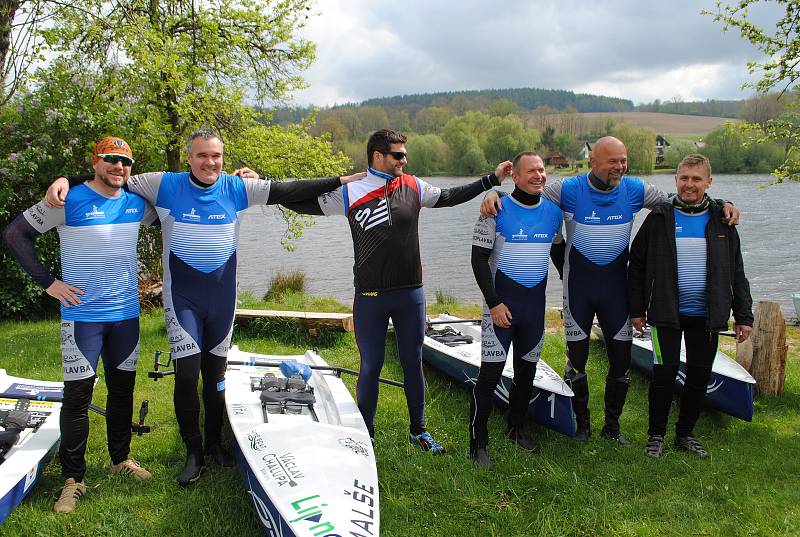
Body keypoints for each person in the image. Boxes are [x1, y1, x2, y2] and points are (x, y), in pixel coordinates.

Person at [44, 130, 366, 485]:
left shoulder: (237, 188)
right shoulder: (162, 184)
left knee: (215, 377)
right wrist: (64, 179)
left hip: (222, 302)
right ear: (189, 158)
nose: (209, 162)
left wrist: (340, 180)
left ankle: (214, 444)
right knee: (186, 375)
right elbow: (108, 177)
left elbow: (290, 190)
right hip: (184, 301)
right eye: (202, 156)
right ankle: (193, 450)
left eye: (215, 156)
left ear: (222, 158)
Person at [481, 137, 740, 445]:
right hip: (578, 289)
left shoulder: (635, 190)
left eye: (623, 160)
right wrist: (494, 194)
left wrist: (721, 204)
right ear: (594, 162)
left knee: (620, 361)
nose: (620, 167)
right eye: (612, 161)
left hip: (618, 292)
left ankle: (612, 428)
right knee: (577, 360)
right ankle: (582, 425)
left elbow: (682, 198)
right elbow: (524, 192)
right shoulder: (567, 190)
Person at [282, 129, 507, 454]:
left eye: (404, 154)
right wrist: (267, 189)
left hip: (410, 294)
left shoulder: (414, 186)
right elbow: (297, 201)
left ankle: (418, 430)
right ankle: (366, 434)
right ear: (377, 156)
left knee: (413, 361)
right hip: (370, 297)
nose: (405, 159)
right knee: (371, 366)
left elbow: (448, 196)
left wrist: (491, 180)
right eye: (398, 155)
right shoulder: (351, 191)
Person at [3, 137, 157, 513]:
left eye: (125, 162)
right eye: (110, 160)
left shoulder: (137, 203)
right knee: (77, 398)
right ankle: (73, 480)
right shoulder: (67, 200)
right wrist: (49, 284)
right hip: (82, 319)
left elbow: (183, 203)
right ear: (95, 162)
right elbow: (14, 234)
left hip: (126, 316)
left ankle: (121, 458)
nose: (118, 167)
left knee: (122, 392)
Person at [628, 154, 753, 458]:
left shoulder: (722, 220)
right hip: (665, 313)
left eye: (696, 179)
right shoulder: (659, 217)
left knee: (698, 376)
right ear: (676, 181)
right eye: (684, 178)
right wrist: (636, 309)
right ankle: (655, 435)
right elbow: (637, 265)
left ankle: (685, 434)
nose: (689, 184)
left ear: (708, 182)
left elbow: (736, 271)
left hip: (708, 316)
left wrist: (743, 316)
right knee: (664, 374)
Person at [468, 152, 562, 469]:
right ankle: (477, 444)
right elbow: (478, 260)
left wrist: (570, 297)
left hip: (534, 309)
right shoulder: (495, 209)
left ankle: (516, 428)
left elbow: (560, 257)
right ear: (516, 177)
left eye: (542, 170)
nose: (538, 175)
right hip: (501, 308)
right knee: (490, 376)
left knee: (527, 374)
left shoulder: (553, 213)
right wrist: (494, 303)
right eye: (531, 171)